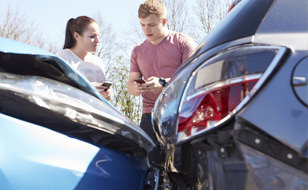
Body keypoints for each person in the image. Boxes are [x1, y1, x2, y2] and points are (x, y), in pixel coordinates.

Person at [127, 0, 197, 166]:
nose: (146, 30)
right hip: (149, 116)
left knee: (182, 167)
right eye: (143, 25)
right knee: (150, 168)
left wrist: (165, 84)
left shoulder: (183, 42)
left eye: (151, 25)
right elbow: (130, 84)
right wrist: (136, 88)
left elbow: (193, 78)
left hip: (180, 112)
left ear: (164, 21)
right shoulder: (137, 50)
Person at [57, 16, 111, 100]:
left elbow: (104, 100)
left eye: (98, 36)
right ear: (76, 36)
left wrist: (106, 94)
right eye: (92, 36)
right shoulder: (63, 57)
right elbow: (58, 91)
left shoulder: (98, 62)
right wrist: (88, 89)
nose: (97, 40)